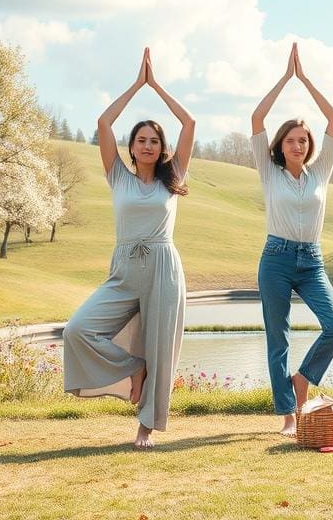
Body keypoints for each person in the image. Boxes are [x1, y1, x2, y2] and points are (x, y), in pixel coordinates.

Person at [63, 48, 195, 449]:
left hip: (163, 266)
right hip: (124, 267)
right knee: (78, 330)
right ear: (132, 147)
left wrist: (158, 86)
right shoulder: (117, 176)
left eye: (155, 140)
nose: (148, 145)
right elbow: (104, 122)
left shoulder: (173, 176)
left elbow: (189, 122)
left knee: (160, 348)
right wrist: (138, 85)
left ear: (162, 147)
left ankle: (145, 428)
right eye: (141, 140)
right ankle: (133, 367)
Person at [251, 42, 333, 437]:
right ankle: (288, 415)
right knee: (278, 338)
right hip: (275, 258)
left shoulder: (320, 171)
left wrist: (305, 79)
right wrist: (284, 79)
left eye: (304, 141)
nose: (298, 145)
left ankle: (304, 378)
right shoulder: (269, 171)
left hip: (312, 261)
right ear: (280, 145)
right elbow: (257, 117)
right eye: (291, 140)